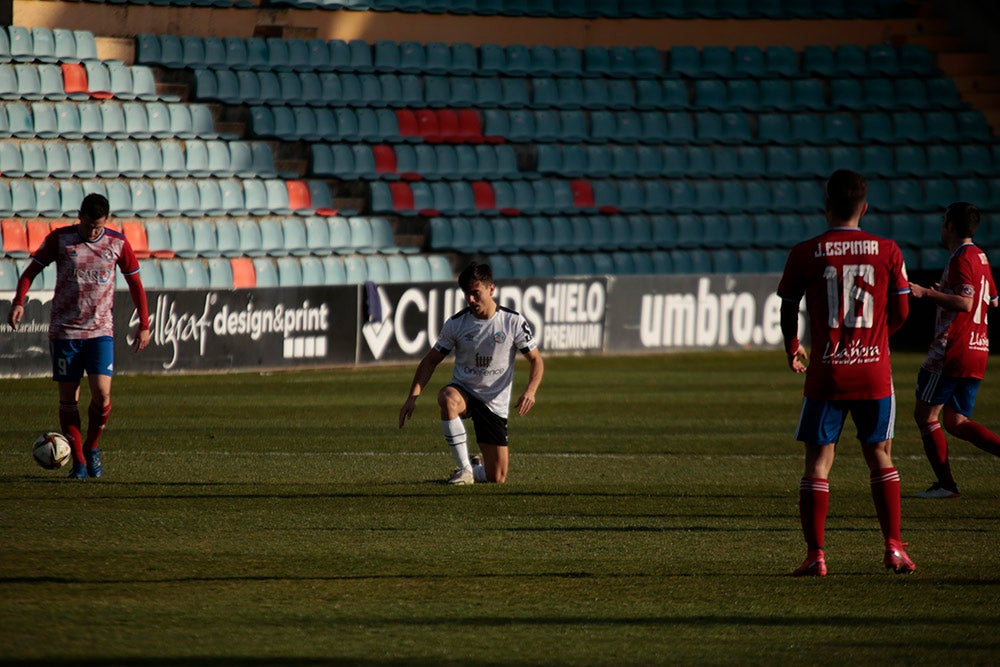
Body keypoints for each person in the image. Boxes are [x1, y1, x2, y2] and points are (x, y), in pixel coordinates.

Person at [777, 169, 915, 576]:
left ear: (827, 206)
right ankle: (893, 547)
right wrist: (877, 340)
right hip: (874, 371)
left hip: (827, 372)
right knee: (880, 455)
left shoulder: (806, 251)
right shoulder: (888, 250)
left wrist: (793, 346)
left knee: (819, 462)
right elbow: (903, 311)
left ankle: (816, 555)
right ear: (865, 207)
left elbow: (788, 305)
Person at [6, 193, 151, 479]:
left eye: (98, 227)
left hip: (100, 331)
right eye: (88, 226)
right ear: (79, 216)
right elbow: (30, 271)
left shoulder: (117, 243)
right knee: (68, 400)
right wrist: (19, 300)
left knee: (102, 395)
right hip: (65, 332)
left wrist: (144, 323)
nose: (93, 231)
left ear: (105, 221)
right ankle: (81, 462)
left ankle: (92, 446)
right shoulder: (61, 239)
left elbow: (135, 283)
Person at [398, 261, 544, 484]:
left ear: (491, 289)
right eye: (467, 294)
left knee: (497, 477)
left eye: (475, 293)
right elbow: (430, 361)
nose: (470, 299)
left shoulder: (512, 321)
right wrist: (412, 396)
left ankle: (475, 468)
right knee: (447, 399)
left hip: (494, 401)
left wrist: (530, 391)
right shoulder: (456, 324)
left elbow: (536, 360)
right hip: (464, 391)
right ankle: (465, 469)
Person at [910, 202, 999, 499]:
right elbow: (993, 301)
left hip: (953, 349)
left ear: (949, 226)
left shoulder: (961, 258)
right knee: (956, 422)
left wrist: (926, 292)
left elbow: (966, 303)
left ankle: (946, 486)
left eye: (943, 220)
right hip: (979, 347)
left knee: (926, 416)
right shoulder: (981, 257)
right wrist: (946, 292)